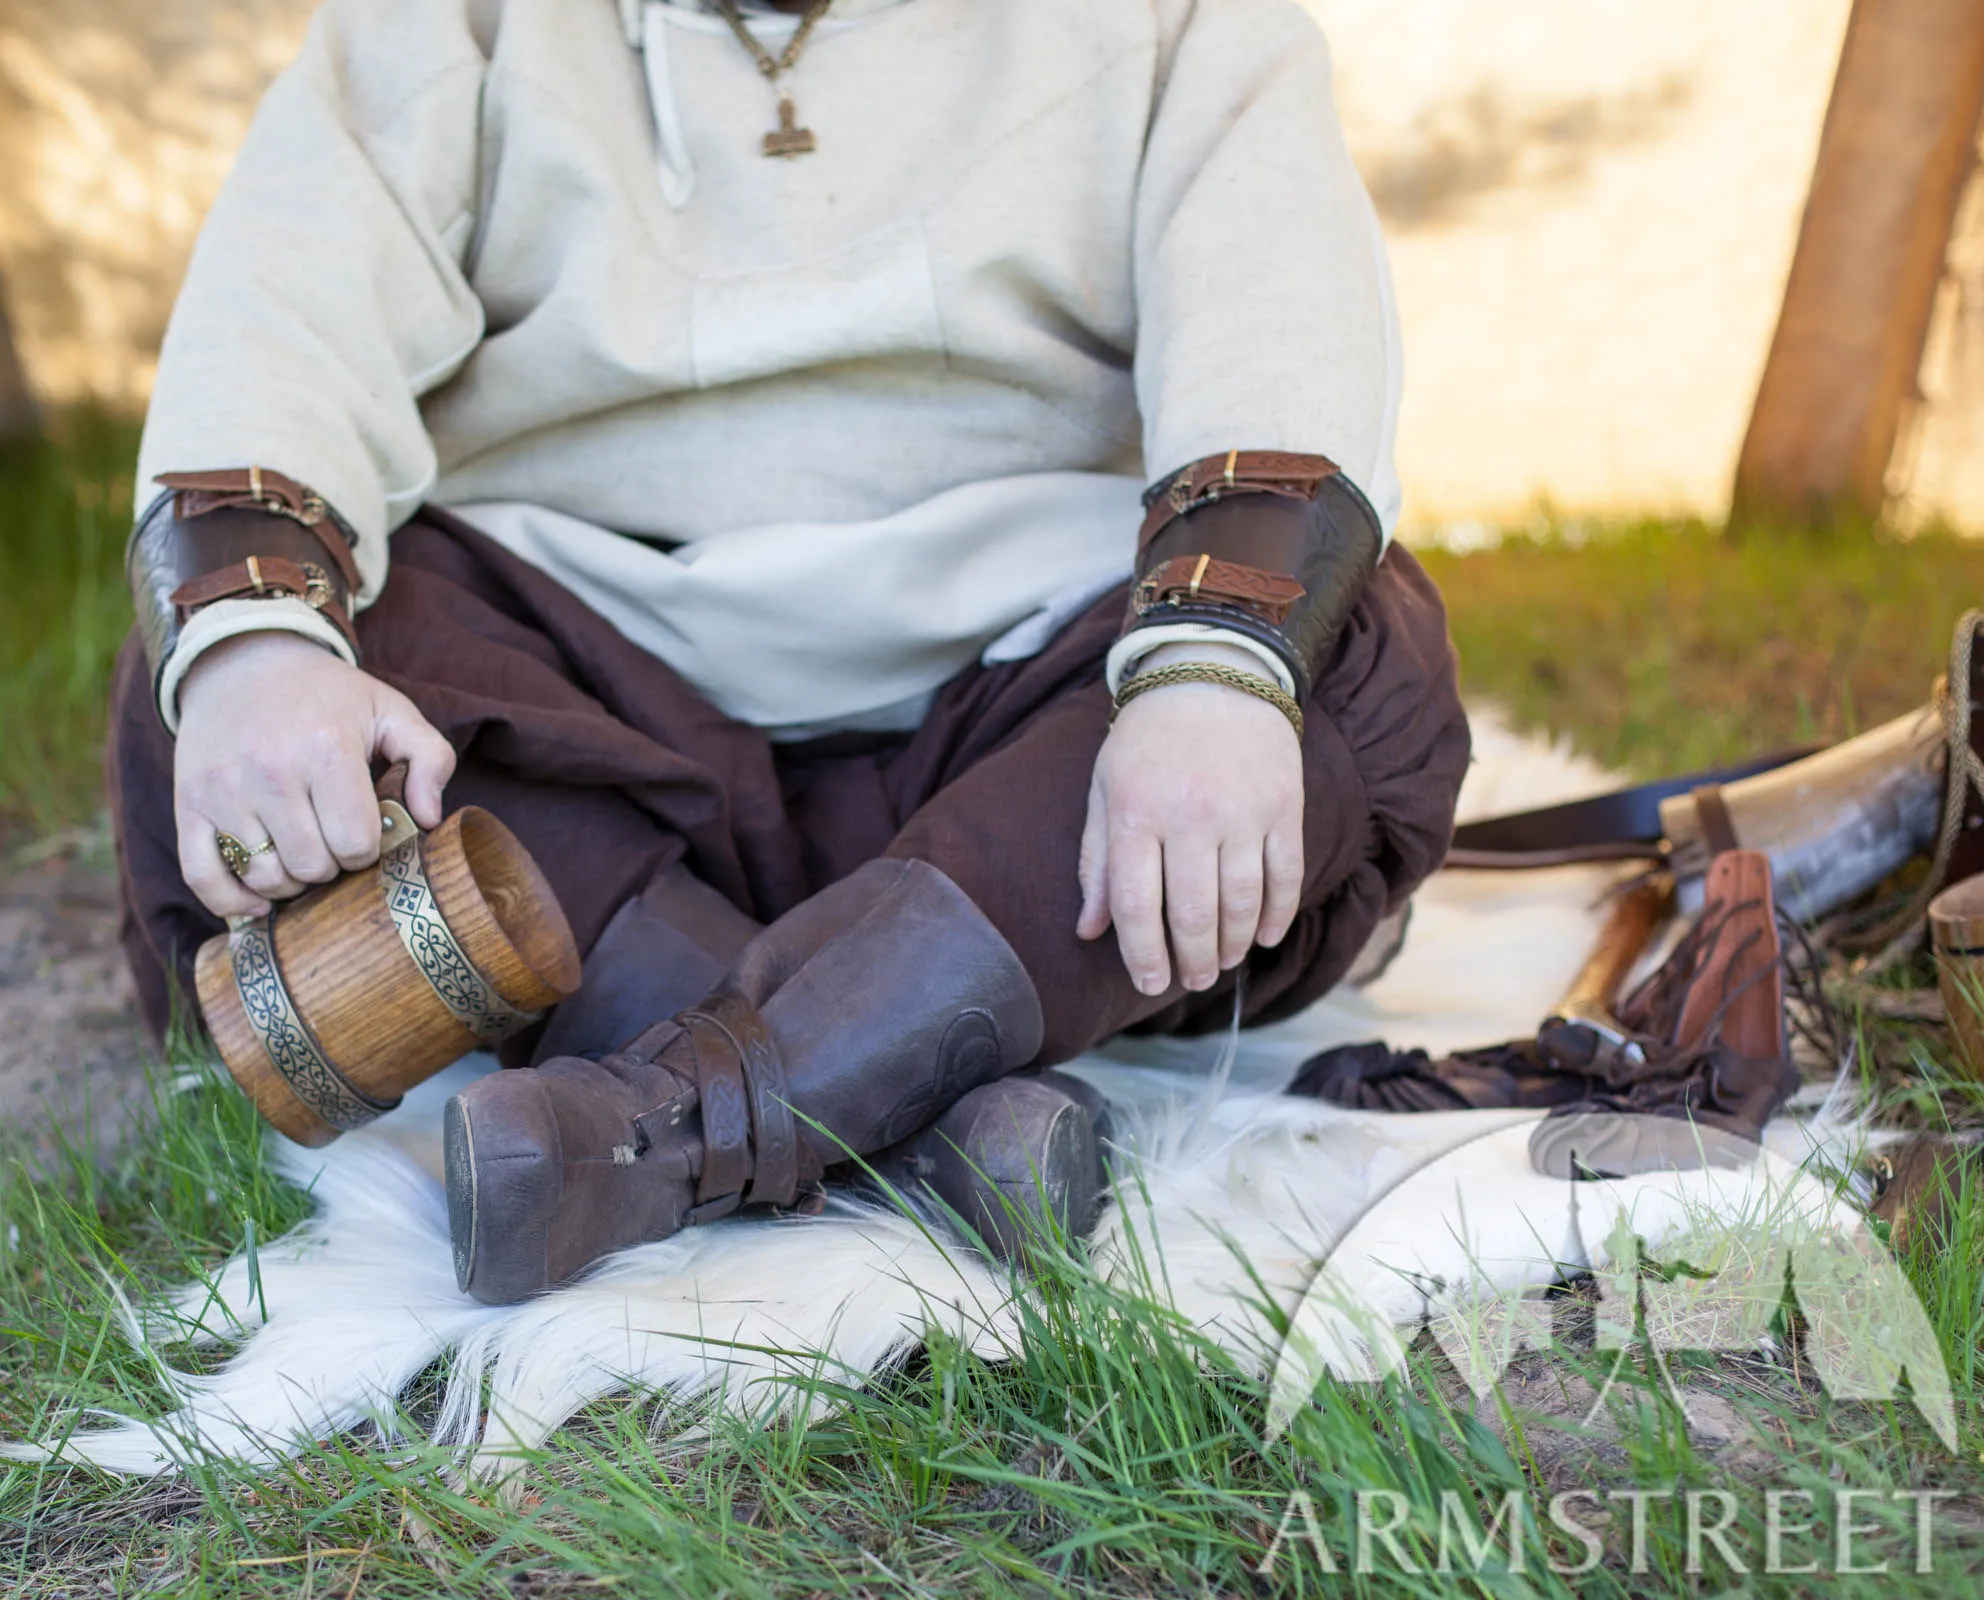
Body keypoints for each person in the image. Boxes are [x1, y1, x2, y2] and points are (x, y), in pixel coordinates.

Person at [108, 0, 1470, 1304]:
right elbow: (277, 318)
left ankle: (659, 1127)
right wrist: (261, 661)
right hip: (593, 716)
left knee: (1350, 655)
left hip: (1025, 727)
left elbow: (1278, 314)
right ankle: (905, 1088)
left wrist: (1206, 673)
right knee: (243, 659)